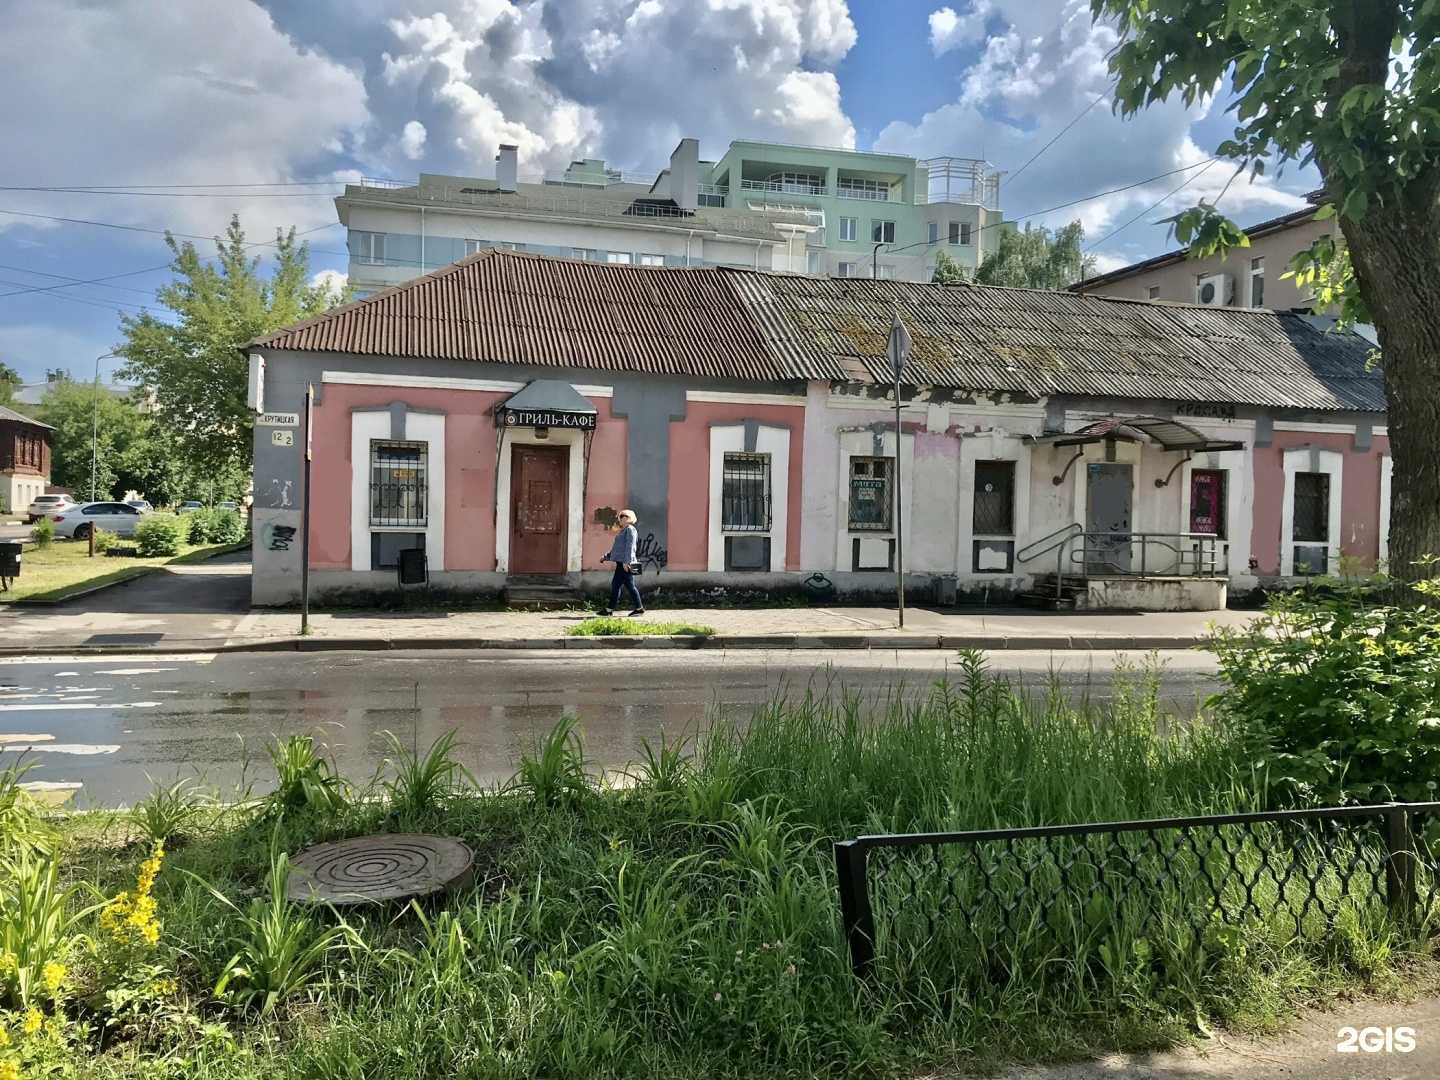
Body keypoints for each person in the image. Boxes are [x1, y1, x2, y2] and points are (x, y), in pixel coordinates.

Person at [599, 509, 645, 616]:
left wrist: (626, 562)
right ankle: (611, 609)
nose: (619, 519)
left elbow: (630, 547)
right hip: (621, 563)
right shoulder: (624, 530)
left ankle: (611, 610)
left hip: (625, 564)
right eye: (620, 516)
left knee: (624, 586)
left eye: (621, 516)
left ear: (627, 518)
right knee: (621, 585)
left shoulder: (630, 530)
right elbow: (617, 549)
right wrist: (606, 557)